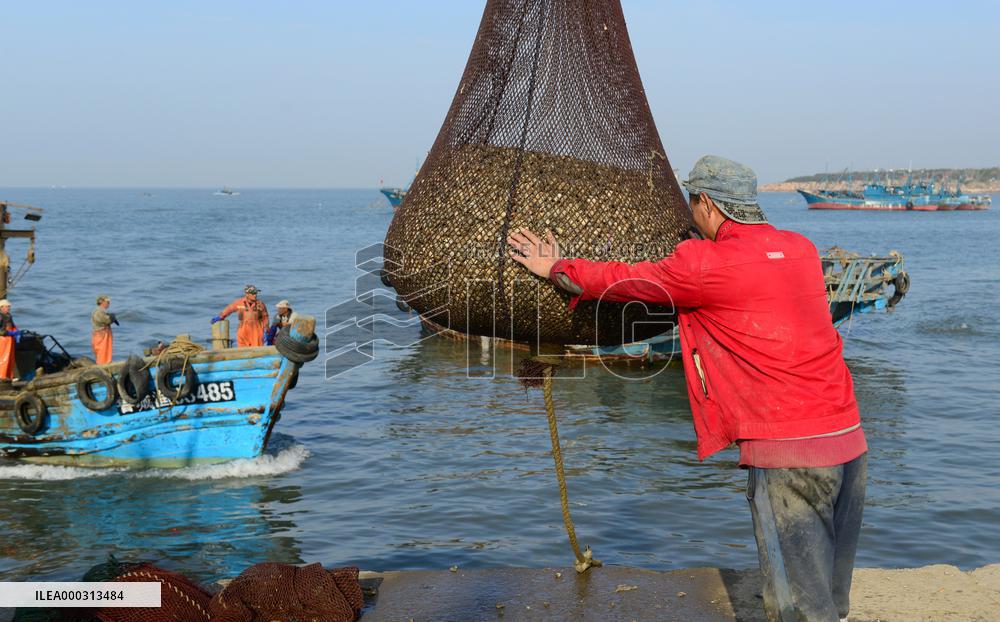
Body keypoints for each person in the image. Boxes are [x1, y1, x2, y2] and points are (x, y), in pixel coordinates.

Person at [507, 155, 866, 622]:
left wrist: (556, 266)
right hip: (849, 441)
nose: (689, 213)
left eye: (691, 202)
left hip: (788, 455)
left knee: (796, 604)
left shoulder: (703, 263)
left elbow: (622, 280)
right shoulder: (799, 248)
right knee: (829, 597)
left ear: (708, 205)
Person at [91, 294, 118, 365]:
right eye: (107, 302)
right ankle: (102, 365)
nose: (109, 303)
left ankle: (104, 363)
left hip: (101, 334)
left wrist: (111, 317)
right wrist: (112, 317)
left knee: (105, 351)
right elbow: (106, 320)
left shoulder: (102, 311)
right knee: (102, 351)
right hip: (101, 335)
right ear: (102, 302)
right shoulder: (98, 311)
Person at [0, 299, 20, 381]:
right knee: (2, 358)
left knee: (10, 358)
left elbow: (13, 325)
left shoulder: (9, 315)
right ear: (1, 307)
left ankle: (10, 376)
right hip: (2, 339)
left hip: (9, 340)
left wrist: (17, 332)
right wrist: (6, 333)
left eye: (9, 306)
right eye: (7, 306)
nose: (9, 308)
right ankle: (2, 376)